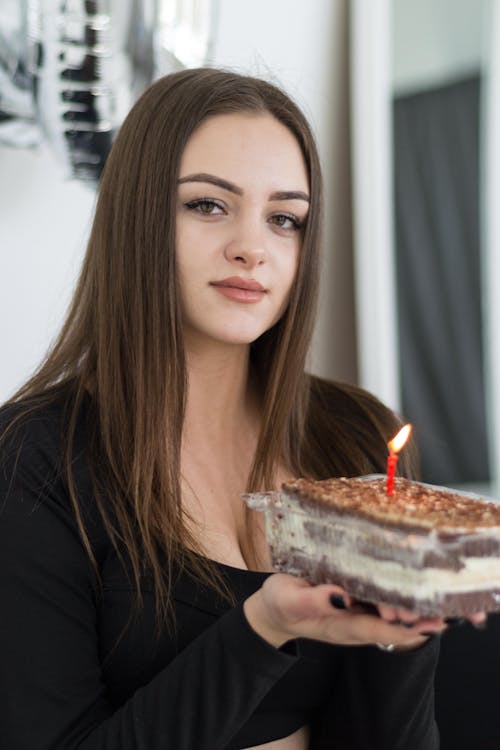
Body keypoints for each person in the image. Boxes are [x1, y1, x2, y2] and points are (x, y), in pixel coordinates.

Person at [0, 67, 484, 750]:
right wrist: (264, 627)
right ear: (136, 215)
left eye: (284, 218)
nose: (252, 248)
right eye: (207, 205)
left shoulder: (353, 436)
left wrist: (406, 638)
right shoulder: (32, 456)